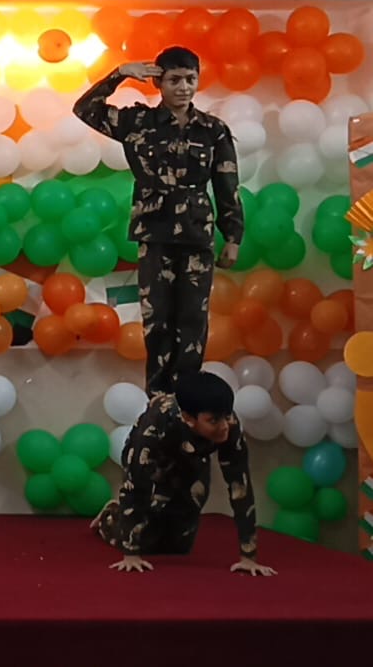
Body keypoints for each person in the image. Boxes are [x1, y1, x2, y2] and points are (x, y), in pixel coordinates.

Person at [73, 46, 242, 395]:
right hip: (155, 233)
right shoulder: (137, 122)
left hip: (197, 234)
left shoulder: (213, 130)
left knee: (193, 320)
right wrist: (120, 74)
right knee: (157, 321)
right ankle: (159, 400)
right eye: (174, 80)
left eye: (190, 79)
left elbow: (227, 184)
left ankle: (187, 398)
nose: (184, 87)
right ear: (158, 83)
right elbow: (85, 109)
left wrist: (233, 236)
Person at [92, 372, 273, 576]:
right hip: (155, 458)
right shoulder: (155, 424)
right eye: (214, 420)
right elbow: (136, 487)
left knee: (179, 546)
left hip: (194, 455)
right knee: (145, 536)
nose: (224, 426)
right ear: (188, 418)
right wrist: (131, 554)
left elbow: (240, 485)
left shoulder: (229, 426)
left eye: (227, 416)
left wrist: (248, 557)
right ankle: (111, 516)